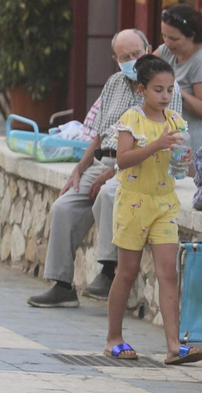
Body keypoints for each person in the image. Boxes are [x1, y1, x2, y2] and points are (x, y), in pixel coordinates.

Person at [29, 29, 179, 308]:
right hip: (103, 160)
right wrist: (80, 168)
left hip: (137, 165)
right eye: (125, 57)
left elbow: (165, 139)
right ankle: (61, 285)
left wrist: (111, 173)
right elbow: (99, 134)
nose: (133, 60)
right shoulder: (113, 83)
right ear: (115, 59)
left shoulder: (164, 87)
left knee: (108, 194)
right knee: (64, 206)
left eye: (137, 53)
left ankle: (109, 272)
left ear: (149, 48)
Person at [104, 55, 202, 365]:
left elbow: (181, 169)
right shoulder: (131, 119)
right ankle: (114, 338)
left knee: (168, 274)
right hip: (133, 203)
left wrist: (184, 159)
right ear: (141, 89)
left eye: (170, 90)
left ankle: (174, 345)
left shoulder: (176, 122)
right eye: (158, 89)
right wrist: (156, 144)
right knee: (127, 272)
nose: (165, 96)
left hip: (164, 204)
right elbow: (122, 160)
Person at [156, 4, 202, 155]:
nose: (167, 42)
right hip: (171, 141)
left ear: (191, 35)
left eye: (173, 38)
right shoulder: (167, 51)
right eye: (164, 36)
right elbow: (146, 72)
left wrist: (172, 88)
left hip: (196, 147)